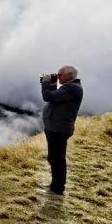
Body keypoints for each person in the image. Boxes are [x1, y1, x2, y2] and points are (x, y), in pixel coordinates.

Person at [38, 65, 83, 196]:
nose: (58, 77)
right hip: (56, 128)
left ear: (69, 75)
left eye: (59, 75)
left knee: (57, 159)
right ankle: (55, 186)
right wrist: (52, 83)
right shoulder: (70, 87)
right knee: (54, 158)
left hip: (59, 129)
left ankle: (57, 189)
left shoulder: (72, 88)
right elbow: (54, 96)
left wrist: (45, 82)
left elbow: (47, 97)